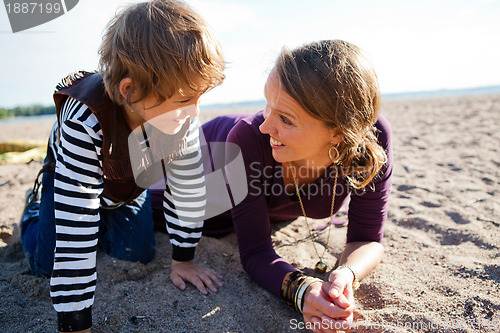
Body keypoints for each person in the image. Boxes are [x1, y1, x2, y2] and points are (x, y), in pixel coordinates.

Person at [19, 1, 225, 332]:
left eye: (199, 98)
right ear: (130, 92)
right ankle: (34, 212)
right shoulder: (86, 118)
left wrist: (183, 259)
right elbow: (77, 225)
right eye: (186, 99)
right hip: (74, 181)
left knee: (138, 254)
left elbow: (188, 190)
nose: (194, 111)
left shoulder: (184, 117)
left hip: (125, 186)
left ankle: (108, 217)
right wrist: (77, 324)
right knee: (47, 264)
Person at [174, 39, 392, 331]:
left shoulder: (370, 137)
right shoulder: (251, 139)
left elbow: (368, 239)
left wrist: (345, 275)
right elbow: (254, 252)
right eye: (268, 106)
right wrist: (302, 291)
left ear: (339, 132)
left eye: (286, 119)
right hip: (206, 160)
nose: (267, 125)